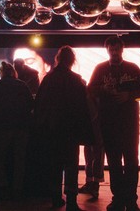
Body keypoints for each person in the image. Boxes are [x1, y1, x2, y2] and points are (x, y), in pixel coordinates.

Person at [88, 36, 140, 211]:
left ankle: (131, 200)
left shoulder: (132, 67)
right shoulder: (100, 69)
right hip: (109, 122)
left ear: (122, 49)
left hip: (130, 123)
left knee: (131, 161)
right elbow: (90, 89)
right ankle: (118, 199)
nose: (114, 53)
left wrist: (128, 95)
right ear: (107, 50)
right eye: (111, 50)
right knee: (114, 162)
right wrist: (103, 89)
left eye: (116, 49)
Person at [34, 46, 93, 211]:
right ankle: (71, 201)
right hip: (71, 129)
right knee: (71, 166)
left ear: (57, 59)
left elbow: (40, 105)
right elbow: (83, 108)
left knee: (54, 164)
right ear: (72, 60)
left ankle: (56, 198)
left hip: (52, 129)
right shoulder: (76, 80)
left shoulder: (48, 79)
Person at [0, 61, 33, 200]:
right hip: (22, 126)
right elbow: (30, 104)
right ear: (14, 72)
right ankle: (17, 188)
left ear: (1, 73)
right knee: (19, 158)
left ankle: (3, 186)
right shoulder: (22, 85)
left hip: (4, 126)